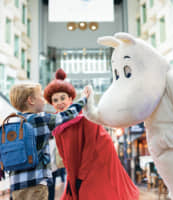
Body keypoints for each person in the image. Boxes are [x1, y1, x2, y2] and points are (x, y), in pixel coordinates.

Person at [44, 68, 140, 200]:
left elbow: (91, 147)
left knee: (92, 193)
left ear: (71, 98)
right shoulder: (57, 124)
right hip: (77, 166)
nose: (59, 102)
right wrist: (72, 177)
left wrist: (81, 176)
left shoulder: (84, 117)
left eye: (63, 98)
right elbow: (65, 155)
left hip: (97, 161)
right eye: (55, 100)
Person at [8, 82, 89, 200]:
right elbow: (68, 114)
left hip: (16, 185)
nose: (44, 101)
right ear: (31, 100)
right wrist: (83, 99)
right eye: (40, 96)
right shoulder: (40, 119)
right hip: (36, 184)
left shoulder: (11, 122)